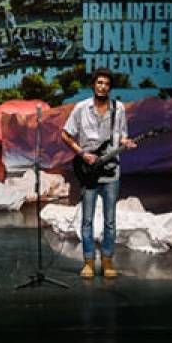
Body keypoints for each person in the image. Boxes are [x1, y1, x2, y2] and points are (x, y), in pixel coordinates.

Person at [60, 68, 136, 278]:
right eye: (99, 83)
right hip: (89, 170)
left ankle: (108, 260)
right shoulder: (81, 108)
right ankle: (88, 262)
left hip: (111, 170)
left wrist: (126, 142)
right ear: (93, 85)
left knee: (110, 220)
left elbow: (121, 135)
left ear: (110, 88)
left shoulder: (118, 108)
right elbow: (65, 134)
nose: (103, 87)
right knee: (87, 219)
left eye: (106, 84)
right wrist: (82, 154)